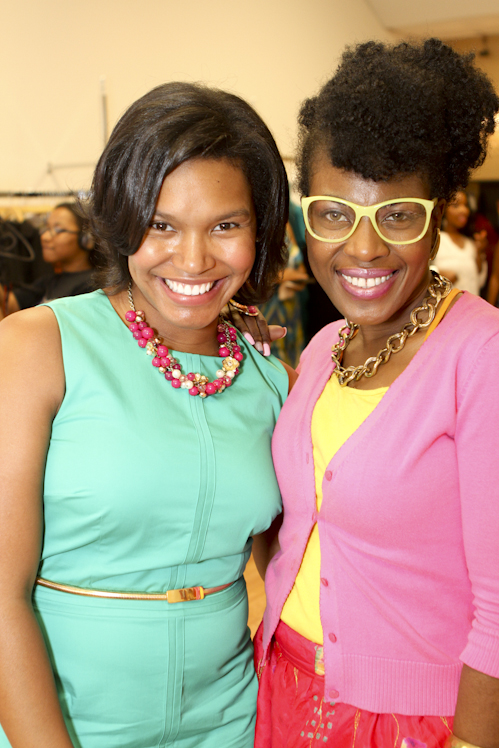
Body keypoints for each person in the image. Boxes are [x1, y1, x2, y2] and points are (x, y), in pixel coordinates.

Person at [0, 81, 294, 748]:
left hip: (231, 722)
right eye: (161, 224)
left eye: (226, 225)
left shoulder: (269, 378)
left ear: (261, 229)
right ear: (120, 217)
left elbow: (295, 568)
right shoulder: (39, 348)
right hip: (68, 724)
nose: (193, 259)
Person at [255, 39, 499, 748]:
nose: (362, 249)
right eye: (334, 213)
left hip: (413, 722)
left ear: (437, 214)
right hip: (284, 689)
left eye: (396, 216)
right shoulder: (326, 348)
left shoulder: (480, 356)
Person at [0, 202, 96, 320]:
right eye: (46, 228)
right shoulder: (49, 282)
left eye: (58, 230)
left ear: (87, 239)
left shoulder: (93, 285)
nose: (45, 237)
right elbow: (8, 303)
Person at [433, 191, 487, 295]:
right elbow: (420, 273)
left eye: (465, 205)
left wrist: (480, 252)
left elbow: (479, 282)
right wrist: (438, 274)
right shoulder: (436, 240)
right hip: (446, 304)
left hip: (471, 303)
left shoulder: (470, 243)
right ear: (443, 209)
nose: (464, 210)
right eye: (456, 206)